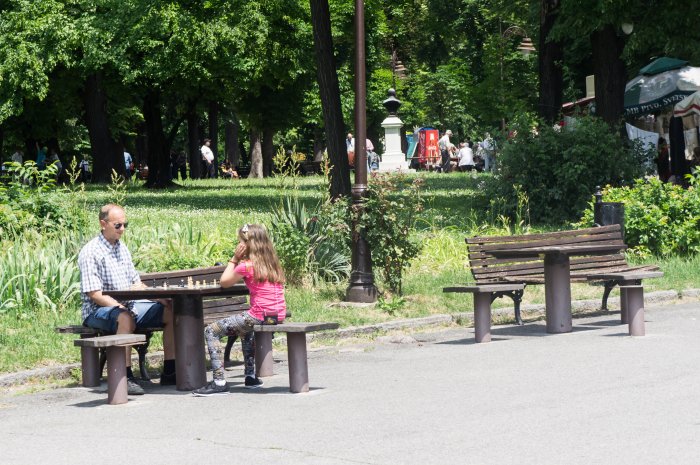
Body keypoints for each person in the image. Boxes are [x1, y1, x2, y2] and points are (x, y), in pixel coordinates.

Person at [78, 204, 176, 395]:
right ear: (103, 223)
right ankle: (125, 375)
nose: (122, 229)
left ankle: (170, 370)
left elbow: (135, 283)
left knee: (170, 311)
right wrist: (120, 306)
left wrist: (157, 297)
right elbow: (95, 294)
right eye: (118, 225)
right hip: (97, 311)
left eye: (125, 224)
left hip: (129, 306)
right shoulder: (91, 252)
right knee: (125, 317)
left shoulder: (122, 248)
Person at [193, 224, 287, 396]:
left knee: (211, 331)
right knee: (246, 330)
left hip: (258, 315)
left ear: (248, 245)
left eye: (241, 242)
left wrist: (234, 258)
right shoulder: (273, 264)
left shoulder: (247, 266)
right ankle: (250, 377)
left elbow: (225, 281)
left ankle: (219, 382)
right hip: (276, 315)